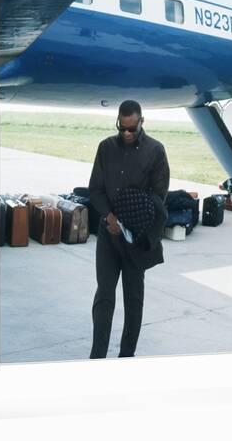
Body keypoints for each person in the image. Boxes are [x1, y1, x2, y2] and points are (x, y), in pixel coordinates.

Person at [88, 100, 170, 359]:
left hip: (135, 239)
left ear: (141, 122)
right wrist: (110, 217)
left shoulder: (156, 151)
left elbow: (159, 197)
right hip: (108, 235)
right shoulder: (105, 148)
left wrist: (139, 227)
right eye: (121, 128)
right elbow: (95, 189)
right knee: (104, 296)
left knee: (133, 300)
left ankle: (126, 356)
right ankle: (97, 356)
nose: (126, 134)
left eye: (131, 129)